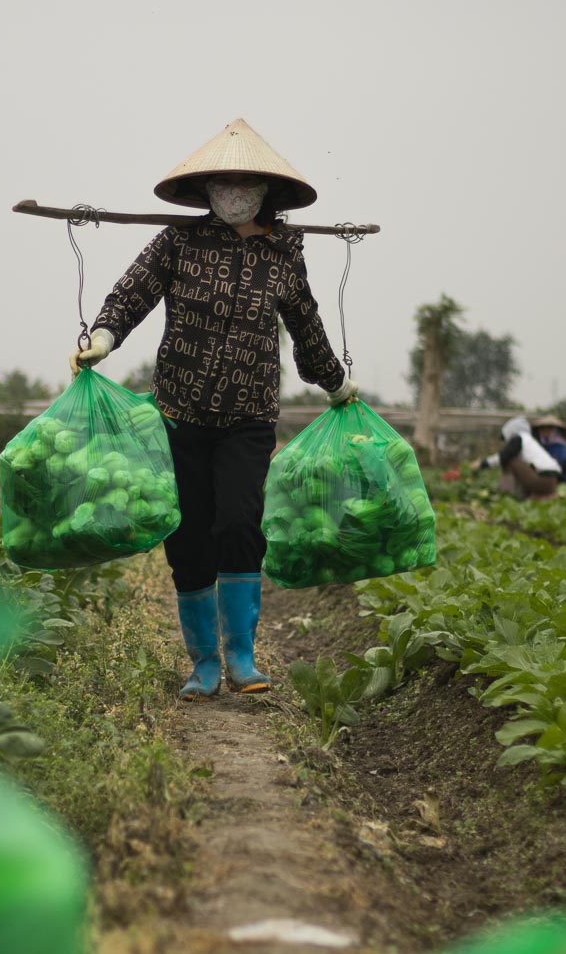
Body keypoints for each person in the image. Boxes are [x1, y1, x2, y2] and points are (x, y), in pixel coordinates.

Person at [68, 119, 358, 701]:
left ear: (265, 191)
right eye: (222, 183)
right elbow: (133, 292)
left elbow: (306, 327)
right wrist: (101, 337)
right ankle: (203, 662)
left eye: (243, 182)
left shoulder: (283, 256)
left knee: (239, 522)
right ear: (205, 191)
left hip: (249, 416)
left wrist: (335, 383)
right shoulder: (179, 241)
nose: (232, 192)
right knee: (190, 535)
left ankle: (242, 657)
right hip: (179, 412)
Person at [470, 415, 561, 499]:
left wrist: (482, 464)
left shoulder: (519, 438)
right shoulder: (530, 441)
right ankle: (527, 495)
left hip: (542, 482)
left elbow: (503, 456)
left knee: (510, 460)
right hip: (552, 482)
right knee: (515, 460)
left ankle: (507, 493)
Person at [530, 414, 566, 483]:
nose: (545, 430)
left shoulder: (563, 450)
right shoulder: (538, 448)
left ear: (556, 430)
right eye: (542, 428)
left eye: (549, 427)